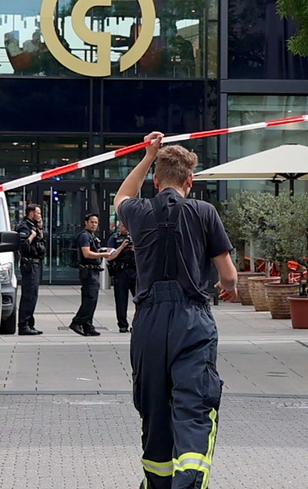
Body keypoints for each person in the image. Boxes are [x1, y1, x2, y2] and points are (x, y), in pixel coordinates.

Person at [115, 132, 238, 489]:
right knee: (194, 406)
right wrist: (227, 288)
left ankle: (157, 485)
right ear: (190, 180)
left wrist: (147, 155)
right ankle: (189, 482)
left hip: (150, 322)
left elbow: (123, 195)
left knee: (154, 411)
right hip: (192, 321)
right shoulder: (204, 212)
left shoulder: (138, 212)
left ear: (155, 180)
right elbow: (227, 273)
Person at [70, 213, 112, 337]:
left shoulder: (91, 236)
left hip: (93, 270)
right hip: (88, 271)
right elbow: (87, 253)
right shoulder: (84, 236)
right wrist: (102, 255)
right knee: (90, 298)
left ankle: (88, 326)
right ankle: (77, 322)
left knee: (90, 299)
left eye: (96, 222)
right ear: (86, 222)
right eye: (92, 222)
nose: (94, 225)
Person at [16, 204, 46, 336]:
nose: (40, 216)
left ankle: (30, 324)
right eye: (38, 213)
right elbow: (23, 246)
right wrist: (32, 236)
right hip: (29, 265)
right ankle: (23, 325)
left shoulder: (34, 227)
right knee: (28, 295)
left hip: (36, 263)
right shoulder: (24, 227)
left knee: (33, 295)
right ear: (31, 213)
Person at [106, 222, 137, 333]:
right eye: (123, 226)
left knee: (139, 299)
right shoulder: (114, 238)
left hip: (135, 271)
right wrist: (121, 247)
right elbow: (109, 256)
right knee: (121, 300)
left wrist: (136, 249)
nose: (126, 228)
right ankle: (122, 325)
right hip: (121, 271)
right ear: (119, 226)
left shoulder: (137, 236)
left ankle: (137, 324)